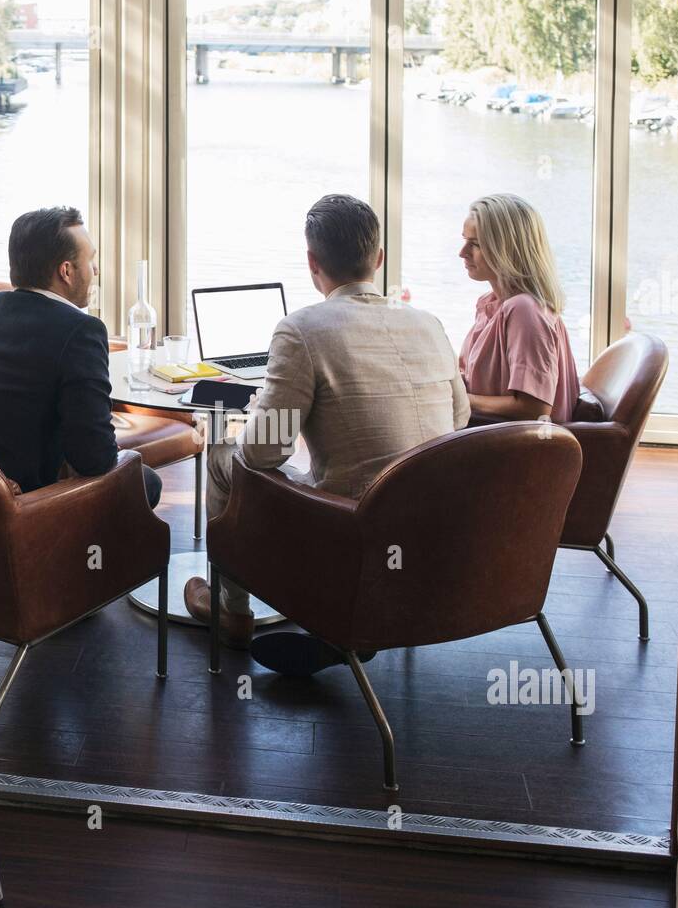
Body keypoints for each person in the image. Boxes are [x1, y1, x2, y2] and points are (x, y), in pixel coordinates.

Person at [183, 193, 470, 673]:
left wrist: (257, 416)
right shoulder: (429, 323)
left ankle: (231, 610)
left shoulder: (302, 330)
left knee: (222, 455)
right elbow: (460, 421)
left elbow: (262, 453)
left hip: (350, 529)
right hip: (436, 529)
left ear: (312, 263)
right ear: (378, 259)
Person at [0, 206, 162, 507]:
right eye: (91, 260)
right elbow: (94, 458)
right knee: (146, 482)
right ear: (66, 271)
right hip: (20, 506)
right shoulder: (81, 331)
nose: (96, 270)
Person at [458, 194, 580, 424]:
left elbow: (535, 408)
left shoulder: (524, 310)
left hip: (516, 451)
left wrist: (463, 400)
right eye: (464, 240)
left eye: (475, 244)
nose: (462, 252)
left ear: (506, 249)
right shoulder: (490, 304)